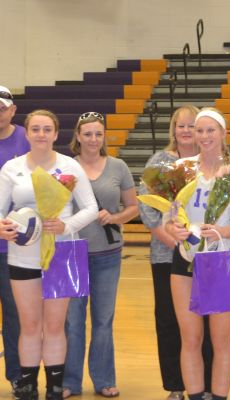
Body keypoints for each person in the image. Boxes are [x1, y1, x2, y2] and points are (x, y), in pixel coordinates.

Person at [0, 109, 98, 400]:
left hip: (62, 253)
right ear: (27, 133)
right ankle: (28, 388)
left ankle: (55, 388)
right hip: (22, 256)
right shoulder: (11, 168)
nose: (41, 134)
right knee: (29, 325)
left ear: (56, 134)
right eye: (36, 129)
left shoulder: (70, 166)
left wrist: (67, 224)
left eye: (47, 129)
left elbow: (91, 208)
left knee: (55, 326)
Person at [165, 108, 230, 400]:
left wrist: (220, 232)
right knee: (190, 338)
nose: (203, 136)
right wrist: (175, 229)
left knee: (221, 340)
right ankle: (197, 395)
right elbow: (171, 215)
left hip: (220, 260)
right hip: (185, 259)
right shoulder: (183, 168)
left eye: (210, 130)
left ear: (223, 133)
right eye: (199, 130)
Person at [139, 105, 214, 400]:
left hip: (204, 255)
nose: (186, 131)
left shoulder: (209, 162)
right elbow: (146, 207)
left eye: (192, 126)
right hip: (166, 254)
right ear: (173, 130)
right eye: (180, 126)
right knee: (169, 320)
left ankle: (206, 383)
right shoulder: (161, 161)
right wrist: (172, 239)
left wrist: (196, 243)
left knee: (204, 320)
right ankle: (175, 385)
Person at [62, 112, 138, 398]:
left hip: (107, 254)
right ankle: (70, 381)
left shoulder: (118, 167)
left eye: (98, 134)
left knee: (104, 319)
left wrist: (116, 217)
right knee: (73, 321)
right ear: (78, 136)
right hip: (71, 253)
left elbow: (134, 207)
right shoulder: (66, 167)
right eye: (88, 134)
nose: (93, 139)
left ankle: (104, 379)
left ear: (104, 136)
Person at [0, 85, 28, 394]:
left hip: (16, 247)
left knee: (14, 314)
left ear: (12, 109)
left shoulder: (27, 139)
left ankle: (18, 375)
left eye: (2, 107)